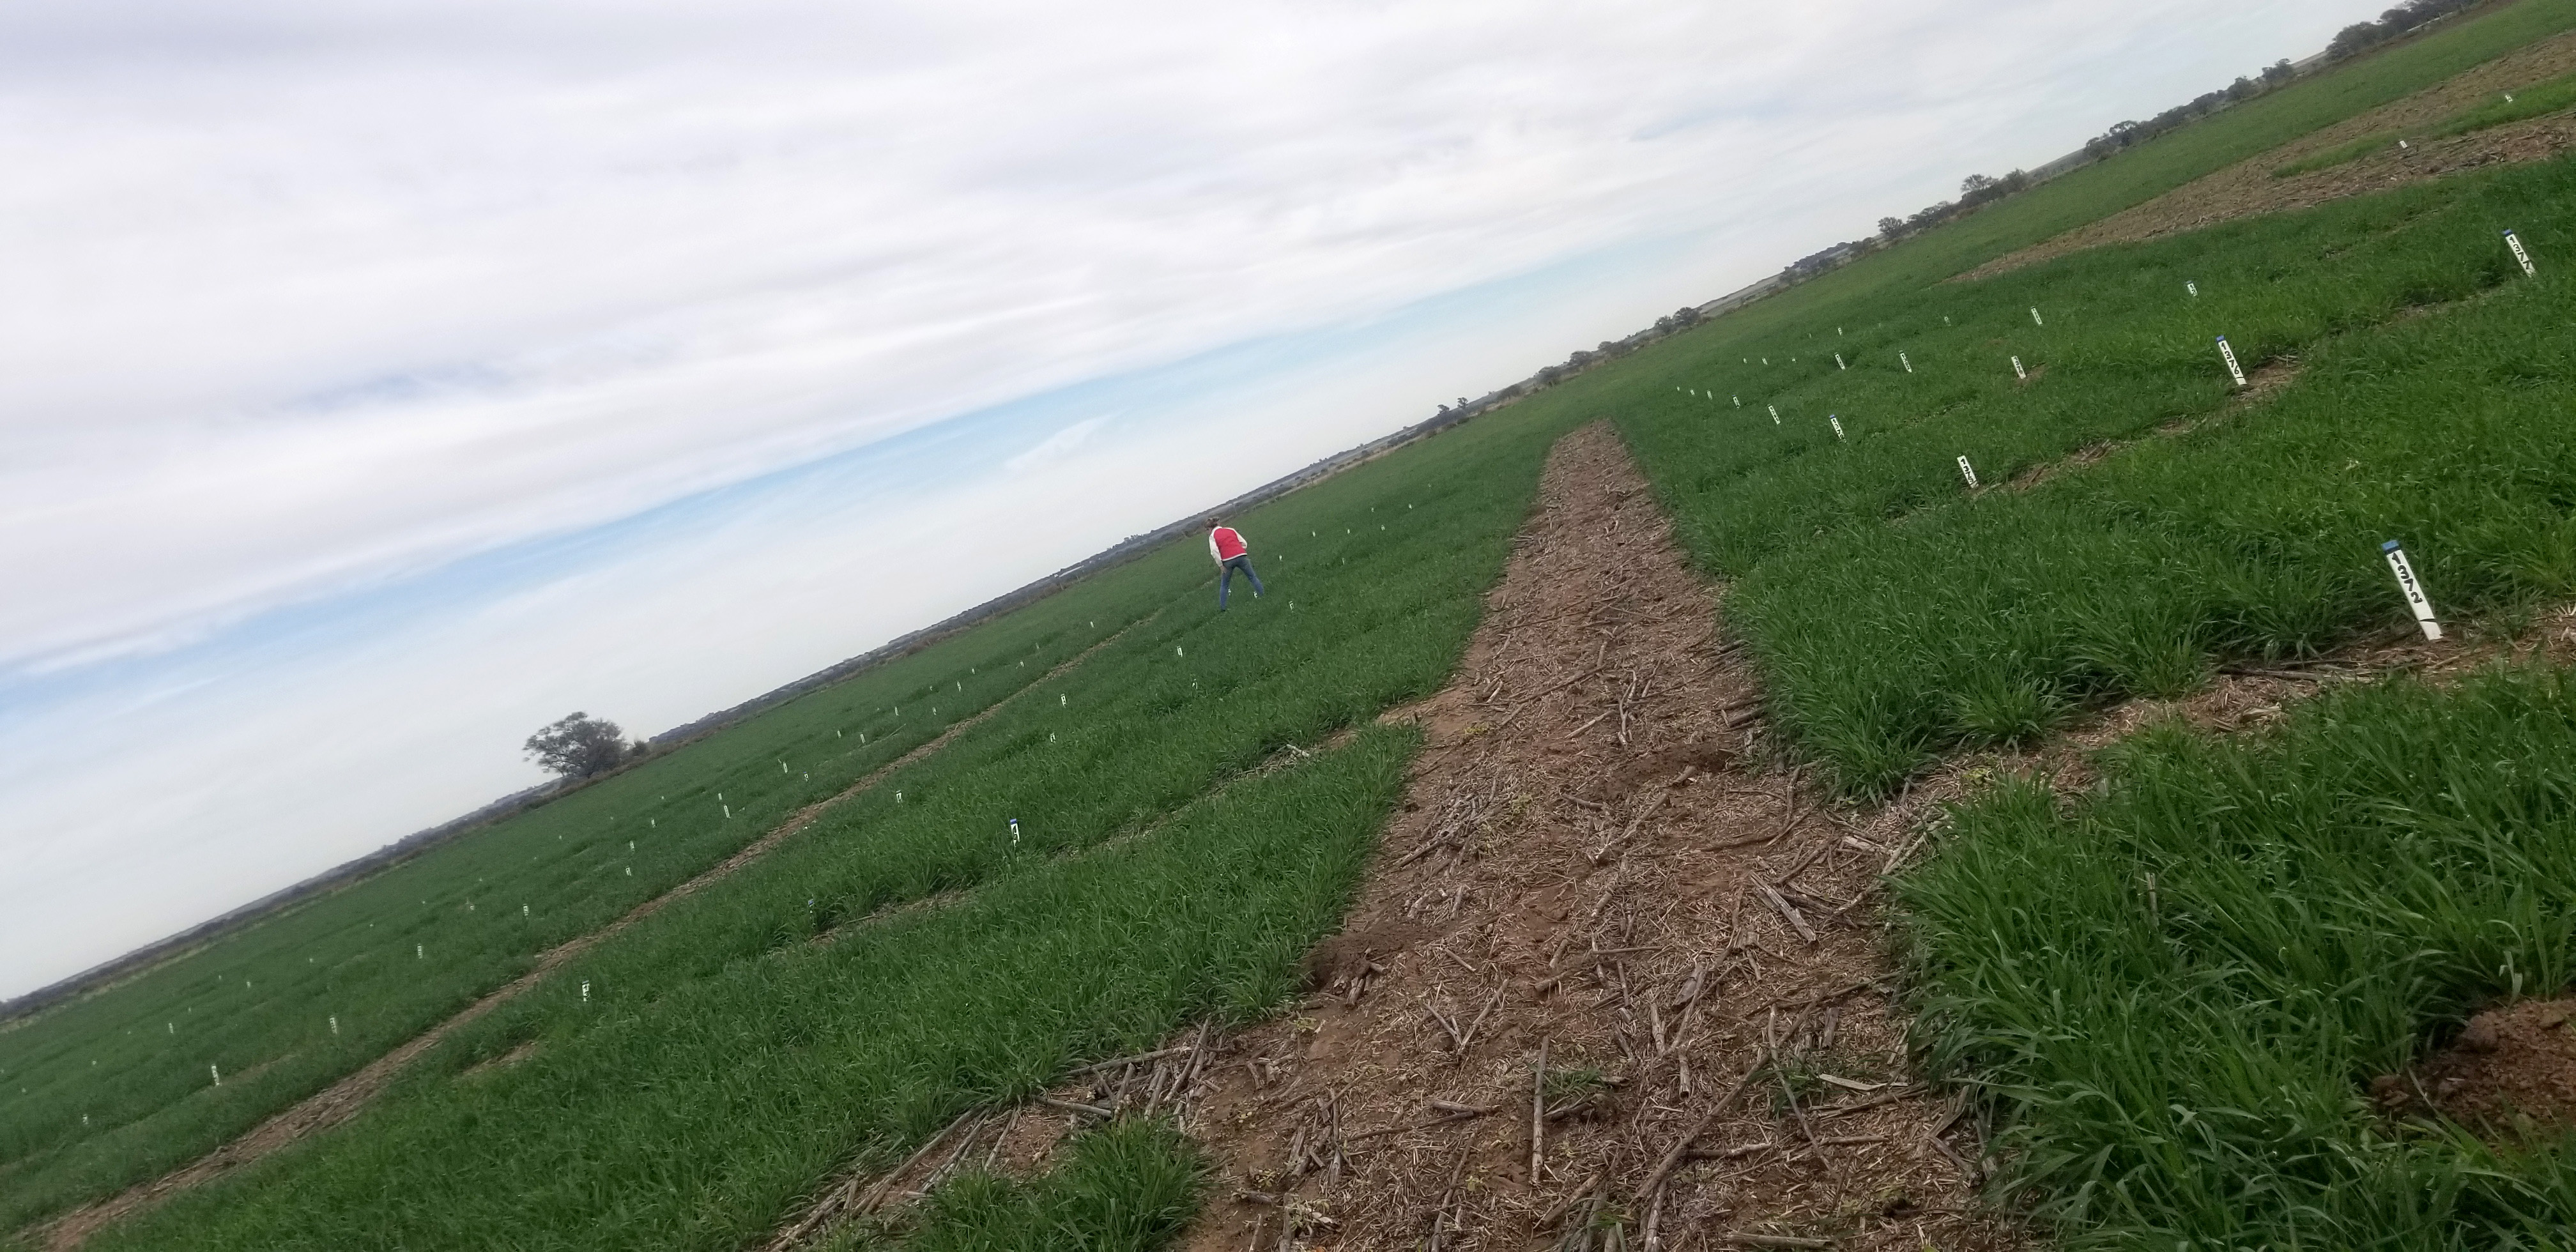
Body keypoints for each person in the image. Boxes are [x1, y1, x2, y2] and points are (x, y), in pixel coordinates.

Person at [1208, 521, 1264, 609]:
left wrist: (1220, 565)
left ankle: (1223, 608)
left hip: (1227, 561)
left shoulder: (1212, 536)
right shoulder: (1230, 530)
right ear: (1218, 524)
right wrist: (1239, 550)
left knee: (1225, 585)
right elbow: (1244, 543)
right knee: (1252, 577)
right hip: (1241, 556)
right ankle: (1263, 595)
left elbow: (1214, 552)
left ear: (1210, 529)